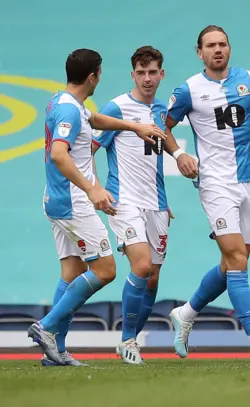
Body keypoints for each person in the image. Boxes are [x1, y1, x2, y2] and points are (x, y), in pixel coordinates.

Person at [31, 48, 166, 365]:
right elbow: (59, 155)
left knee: (71, 271)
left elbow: (97, 119)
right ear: (93, 76)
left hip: (56, 199)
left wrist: (135, 127)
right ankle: (48, 328)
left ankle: (56, 353)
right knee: (105, 269)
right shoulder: (69, 111)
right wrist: (93, 189)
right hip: (72, 203)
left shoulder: (67, 103)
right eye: (100, 74)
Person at [161, 25, 250, 363]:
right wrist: (179, 155)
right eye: (210, 45)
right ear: (198, 51)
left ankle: (186, 313)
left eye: (223, 44)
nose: (218, 50)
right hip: (215, 183)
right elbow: (162, 127)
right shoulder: (188, 89)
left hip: (249, 181)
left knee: (234, 262)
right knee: (236, 260)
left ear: (230, 49)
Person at [92, 46, 177, 364]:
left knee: (153, 277)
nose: (147, 78)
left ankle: (131, 340)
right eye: (141, 73)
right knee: (140, 267)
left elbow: (155, 159)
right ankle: (127, 340)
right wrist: (96, 188)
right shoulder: (117, 107)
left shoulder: (161, 113)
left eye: (152, 72)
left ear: (161, 74)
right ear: (132, 75)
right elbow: (89, 149)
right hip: (124, 202)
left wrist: (165, 202)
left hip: (156, 204)